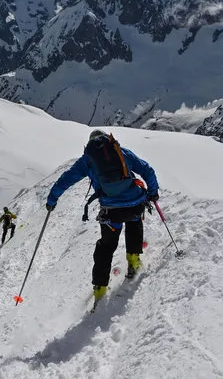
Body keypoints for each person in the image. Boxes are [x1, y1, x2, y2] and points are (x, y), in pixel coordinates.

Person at [46, 130, 159, 305]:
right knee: (134, 225)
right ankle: (134, 261)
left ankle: (100, 288)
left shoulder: (87, 161)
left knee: (106, 246)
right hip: (134, 204)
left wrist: (52, 199)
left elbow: (66, 179)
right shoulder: (121, 152)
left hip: (111, 211)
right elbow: (147, 169)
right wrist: (153, 192)